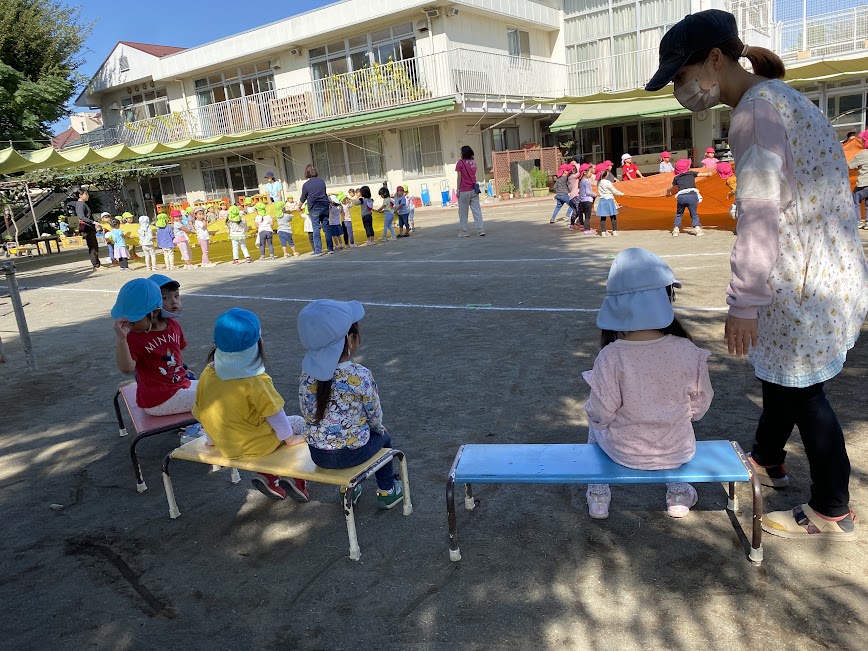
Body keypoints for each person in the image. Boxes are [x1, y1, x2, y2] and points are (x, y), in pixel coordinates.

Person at [648, 8, 868, 540]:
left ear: (716, 59)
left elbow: (760, 211)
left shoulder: (753, 113)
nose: (681, 89)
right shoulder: (782, 98)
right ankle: (769, 460)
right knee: (781, 379)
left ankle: (831, 506)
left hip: (797, 278)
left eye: (681, 75)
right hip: (826, 268)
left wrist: (743, 302)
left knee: (804, 392)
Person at [583, 248, 712, 519]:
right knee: (679, 422)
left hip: (624, 450)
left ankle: (598, 494)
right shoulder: (686, 349)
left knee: (593, 424)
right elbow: (699, 407)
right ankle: (678, 493)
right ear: (666, 299)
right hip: (677, 448)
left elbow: (601, 413)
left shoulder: (612, 355)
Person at [192, 308, 309, 501]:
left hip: (226, 444)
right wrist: (289, 439)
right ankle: (299, 480)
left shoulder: (208, 373)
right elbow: (275, 414)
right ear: (258, 344)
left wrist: (212, 440)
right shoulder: (255, 380)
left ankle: (269, 478)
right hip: (256, 444)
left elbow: (204, 411)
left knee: (272, 429)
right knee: (297, 424)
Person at [297, 299, 403, 509]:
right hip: (351, 453)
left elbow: (306, 411)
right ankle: (387, 490)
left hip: (317, 453)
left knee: (350, 437)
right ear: (350, 339)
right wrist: (378, 431)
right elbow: (374, 416)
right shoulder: (360, 375)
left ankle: (347, 489)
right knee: (384, 437)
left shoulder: (307, 375)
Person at [112, 278, 196, 416]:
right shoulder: (133, 337)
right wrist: (122, 340)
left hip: (178, 387)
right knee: (213, 396)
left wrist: (182, 371)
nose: (128, 324)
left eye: (134, 319)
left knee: (215, 387)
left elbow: (176, 355)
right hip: (159, 400)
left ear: (155, 312)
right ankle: (197, 429)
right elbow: (126, 368)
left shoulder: (174, 326)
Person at [666, 159, 713, 237]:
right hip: (692, 195)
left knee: (679, 214)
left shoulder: (677, 177)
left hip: (681, 197)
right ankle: (698, 230)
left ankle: (676, 230)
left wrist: (668, 194)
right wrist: (710, 173)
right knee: (693, 214)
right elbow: (705, 174)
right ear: (688, 167)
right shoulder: (691, 173)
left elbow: (669, 188)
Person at [300, 164, 330, 255]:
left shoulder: (306, 185)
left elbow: (303, 198)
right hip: (324, 205)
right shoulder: (322, 182)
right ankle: (330, 248)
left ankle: (318, 250)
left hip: (314, 207)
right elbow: (324, 193)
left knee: (316, 228)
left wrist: (298, 206)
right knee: (326, 228)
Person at [455, 145, 485, 237]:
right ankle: (480, 229)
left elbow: (459, 177)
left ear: (463, 154)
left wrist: (458, 189)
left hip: (464, 190)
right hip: (474, 189)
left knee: (463, 212)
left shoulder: (460, 163)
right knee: (476, 210)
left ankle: (464, 231)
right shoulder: (473, 163)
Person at [74, 189, 101, 270]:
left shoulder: (82, 204)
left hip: (89, 227)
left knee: (94, 246)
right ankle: (96, 265)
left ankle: (97, 263)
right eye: (86, 194)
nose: (88, 196)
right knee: (92, 246)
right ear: (80, 195)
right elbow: (81, 216)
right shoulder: (80, 204)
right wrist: (93, 222)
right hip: (87, 227)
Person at [595, 162, 623, 236]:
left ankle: (603, 232)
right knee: (613, 216)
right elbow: (614, 191)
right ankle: (615, 231)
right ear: (605, 173)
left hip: (602, 200)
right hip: (610, 200)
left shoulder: (598, 182)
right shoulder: (607, 182)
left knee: (603, 217)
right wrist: (621, 194)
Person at [848, 129, 868, 228]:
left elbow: (850, 165)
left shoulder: (863, 154)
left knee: (855, 201)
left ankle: (858, 221)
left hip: (863, 184)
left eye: (863, 140)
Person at [577, 164, 597, 236]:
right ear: (585, 172)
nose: (591, 174)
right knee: (588, 217)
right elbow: (588, 192)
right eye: (590, 172)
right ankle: (587, 229)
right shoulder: (586, 181)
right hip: (587, 200)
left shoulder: (581, 181)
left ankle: (586, 227)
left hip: (582, 201)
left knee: (586, 215)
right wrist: (595, 194)